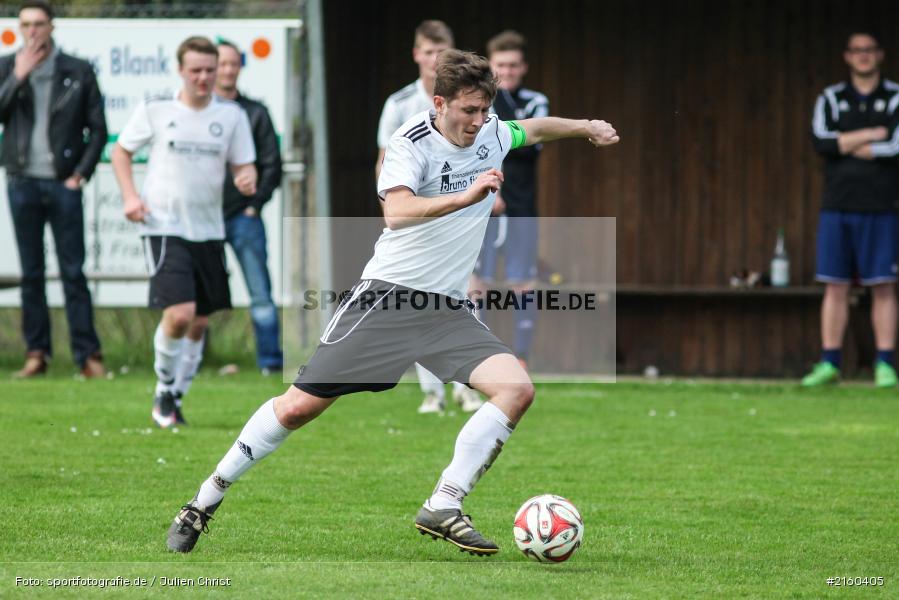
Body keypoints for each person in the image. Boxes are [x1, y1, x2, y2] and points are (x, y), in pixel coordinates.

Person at [165, 49, 619, 556]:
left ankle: (444, 504)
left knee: (516, 389)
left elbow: (532, 129)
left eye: (484, 110)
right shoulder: (410, 142)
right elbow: (397, 212)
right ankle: (203, 501)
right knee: (298, 408)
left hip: (445, 309)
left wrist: (585, 127)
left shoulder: (492, 131)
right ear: (440, 102)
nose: (478, 122)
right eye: (468, 111)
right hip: (388, 298)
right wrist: (465, 198)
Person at [111, 36, 257, 427]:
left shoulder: (231, 115)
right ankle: (162, 389)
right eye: (196, 70)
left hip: (208, 230)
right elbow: (120, 151)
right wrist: (129, 196)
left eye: (210, 69)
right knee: (179, 314)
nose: (204, 77)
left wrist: (246, 177)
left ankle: (175, 397)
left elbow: (245, 166)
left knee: (199, 322)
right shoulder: (157, 108)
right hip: (163, 225)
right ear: (180, 70)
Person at [375, 19, 481, 414]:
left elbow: (484, 148)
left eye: (442, 52)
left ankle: (466, 382)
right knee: (420, 299)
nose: (434, 58)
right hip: (418, 214)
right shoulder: (400, 104)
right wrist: (391, 204)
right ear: (416, 54)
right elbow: (384, 160)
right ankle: (432, 391)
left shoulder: (470, 100)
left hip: (462, 215)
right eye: (427, 51)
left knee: (468, 290)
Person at [0, 0, 107, 378]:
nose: (32, 31)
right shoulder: (6, 66)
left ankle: (88, 356)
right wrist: (18, 77)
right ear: (18, 27)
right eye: (26, 24)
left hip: (63, 184)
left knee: (73, 272)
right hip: (22, 182)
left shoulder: (77, 70)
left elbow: (98, 130)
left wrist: (79, 174)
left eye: (39, 24)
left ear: (52, 27)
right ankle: (36, 354)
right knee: (32, 273)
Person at [805, 31, 899, 388]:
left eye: (869, 50)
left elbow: (894, 146)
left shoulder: (894, 97)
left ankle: (885, 364)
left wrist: (846, 142)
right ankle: (829, 363)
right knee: (835, 286)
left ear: (879, 55)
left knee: (884, 285)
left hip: (880, 205)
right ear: (847, 56)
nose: (863, 56)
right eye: (857, 51)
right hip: (837, 204)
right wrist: (869, 134)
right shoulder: (831, 98)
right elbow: (821, 141)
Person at [474, 30, 548, 369]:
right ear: (491, 66)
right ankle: (478, 354)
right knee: (479, 281)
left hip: (521, 206)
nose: (508, 71)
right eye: (501, 65)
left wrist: (497, 99)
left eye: (514, 65)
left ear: (524, 67)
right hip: (483, 206)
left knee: (522, 281)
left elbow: (530, 144)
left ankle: (522, 358)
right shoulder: (479, 104)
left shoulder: (536, 102)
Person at [215, 40, 284, 375]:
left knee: (260, 296)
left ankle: (270, 364)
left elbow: (272, 164)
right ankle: (191, 365)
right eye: (222, 64)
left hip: (244, 217)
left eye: (233, 63)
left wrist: (254, 205)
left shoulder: (255, 112)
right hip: (202, 219)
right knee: (198, 301)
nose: (227, 70)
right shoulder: (199, 114)